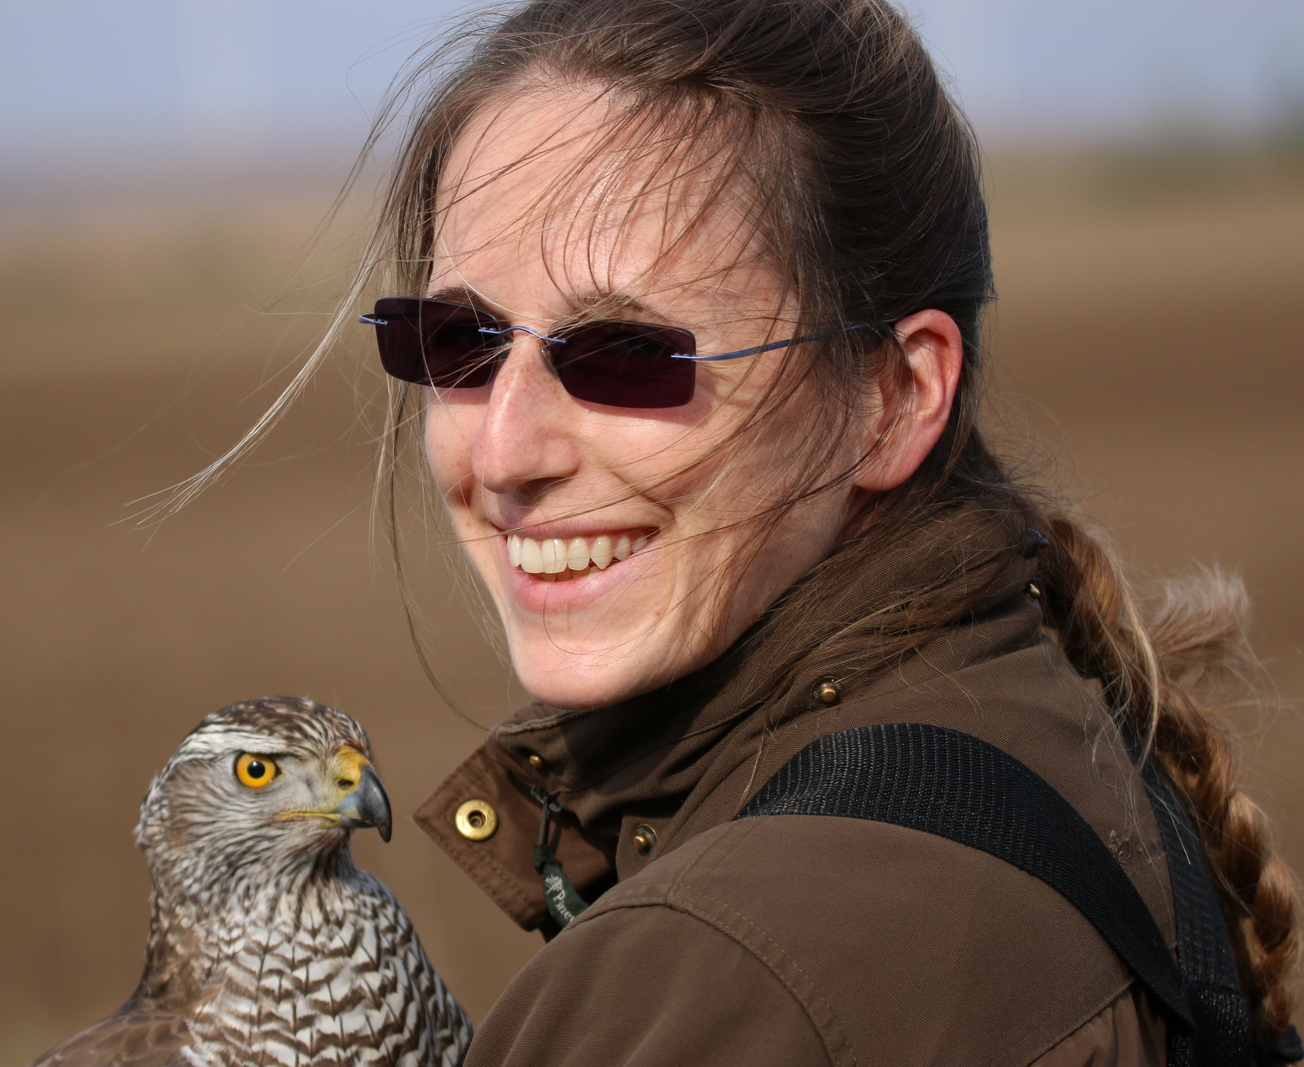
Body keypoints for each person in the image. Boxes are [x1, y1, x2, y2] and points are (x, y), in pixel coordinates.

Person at [205, 0, 1302, 1062]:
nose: (503, 453)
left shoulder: (727, 979)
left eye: (625, 353)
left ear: (892, 396)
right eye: (455, 341)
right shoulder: (1034, 730)